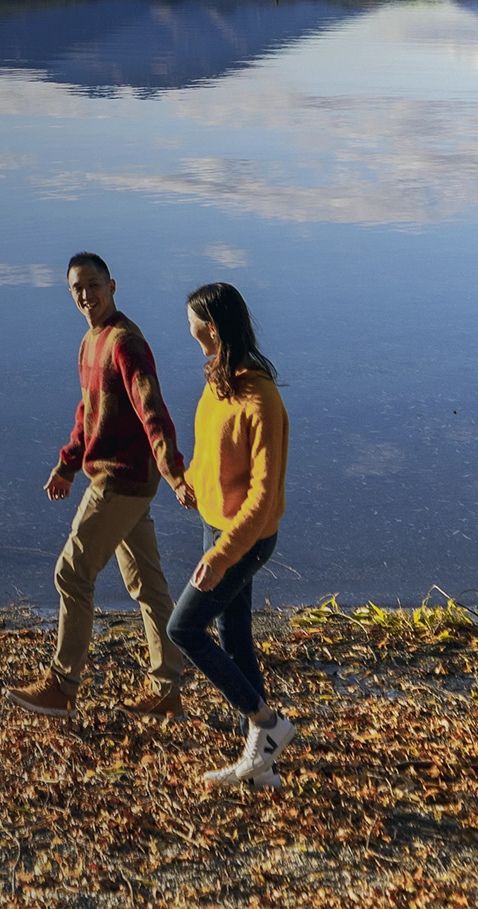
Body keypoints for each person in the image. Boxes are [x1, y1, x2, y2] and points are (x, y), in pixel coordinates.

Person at [9, 252, 192, 722]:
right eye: (77, 289)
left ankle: (63, 686)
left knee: (72, 574)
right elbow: (88, 411)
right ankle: (168, 689)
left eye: (94, 285)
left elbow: (153, 409)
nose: (86, 295)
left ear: (113, 285)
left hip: (120, 479)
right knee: (148, 586)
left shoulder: (125, 343)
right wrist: (68, 464)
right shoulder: (91, 341)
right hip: (119, 476)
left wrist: (173, 471)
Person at [167, 280, 297, 787]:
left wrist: (222, 556)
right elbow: (212, 449)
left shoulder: (259, 397)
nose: (191, 334)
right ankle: (261, 763)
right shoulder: (220, 378)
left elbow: (263, 499)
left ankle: (268, 724)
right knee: (234, 635)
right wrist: (191, 483)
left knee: (184, 629)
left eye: (194, 326)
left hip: (246, 538)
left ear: (213, 328)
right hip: (216, 523)